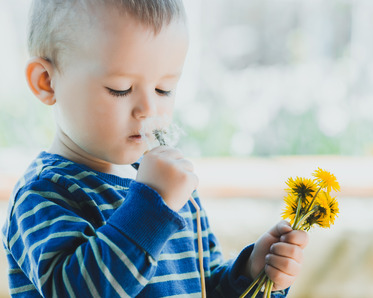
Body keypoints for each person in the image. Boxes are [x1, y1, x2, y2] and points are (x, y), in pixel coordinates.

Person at [1, 0, 309, 297]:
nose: (149, 109)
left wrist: (252, 274)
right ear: (46, 81)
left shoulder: (171, 189)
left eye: (165, 89)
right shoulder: (43, 195)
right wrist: (151, 207)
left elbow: (203, 287)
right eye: (120, 89)